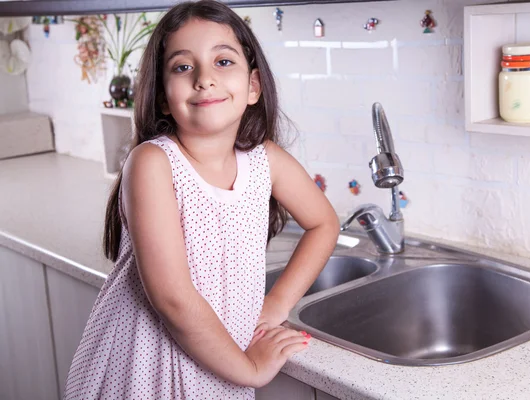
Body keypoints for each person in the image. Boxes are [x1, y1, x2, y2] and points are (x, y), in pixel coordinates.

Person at [63, 1, 340, 398]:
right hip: (144, 368)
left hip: (217, 363)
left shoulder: (266, 161)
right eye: (182, 67)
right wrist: (249, 369)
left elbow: (323, 223)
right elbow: (173, 300)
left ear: (253, 86)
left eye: (223, 62)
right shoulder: (152, 163)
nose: (204, 79)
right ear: (162, 97)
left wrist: (276, 304)